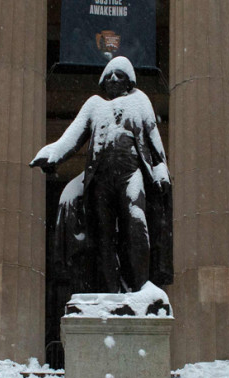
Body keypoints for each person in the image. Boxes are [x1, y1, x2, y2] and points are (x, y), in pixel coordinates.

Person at [31, 56, 172, 295]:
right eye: (109, 76)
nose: (114, 79)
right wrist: (52, 155)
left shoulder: (140, 101)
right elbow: (72, 136)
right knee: (103, 236)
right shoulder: (94, 105)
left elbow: (153, 137)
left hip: (131, 174)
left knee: (136, 221)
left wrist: (160, 169)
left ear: (129, 81)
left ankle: (141, 288)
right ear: (103, 81)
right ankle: (110, 290)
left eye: (120, 75)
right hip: (100, 180)